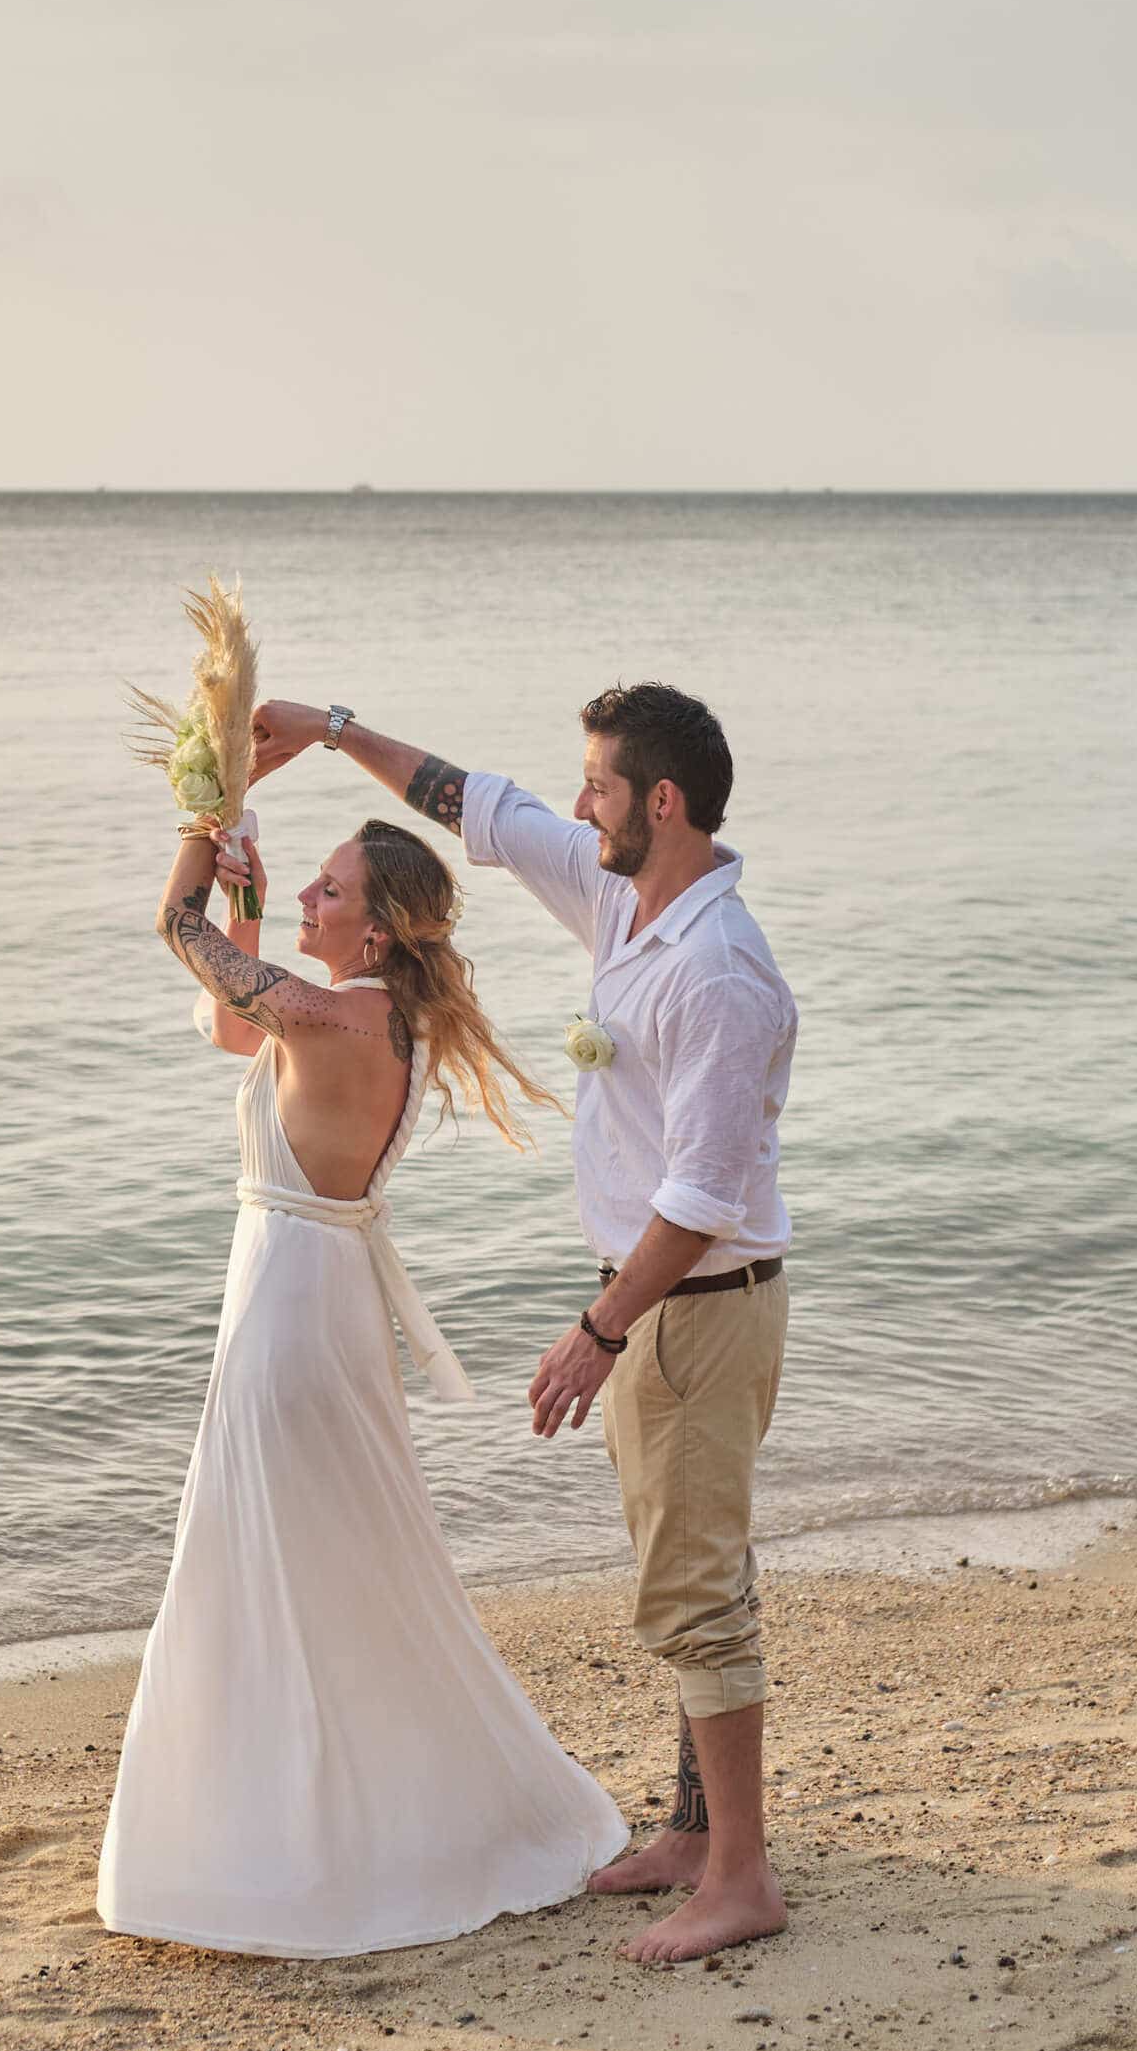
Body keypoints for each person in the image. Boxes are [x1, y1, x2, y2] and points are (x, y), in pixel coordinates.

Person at [250, 689, 797, 1965]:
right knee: (685, 1563)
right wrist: (333, 730)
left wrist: (597, 1331)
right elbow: (472, 805)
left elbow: (703, 1198)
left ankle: (741, 1877)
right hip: (661, 1304)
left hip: (692, 1308)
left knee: (699, 1592)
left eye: (598, 784)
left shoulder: (718, 972)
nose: (579, 803)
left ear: (660, 802)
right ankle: (688, 1829)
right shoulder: (621, 894)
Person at [97, 807, 628, 1958]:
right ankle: (319, 1814)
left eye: (328, 893)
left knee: (262, 1554)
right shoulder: (361, 1018)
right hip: (310, 1290)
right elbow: (232, 1030)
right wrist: (251, 896)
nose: (308, 904)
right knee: (318, 1555)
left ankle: (286, 1844)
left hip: (291, 1306)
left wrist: (199, 824)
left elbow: (170, 927)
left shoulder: (335, 1010)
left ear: (379, 932)